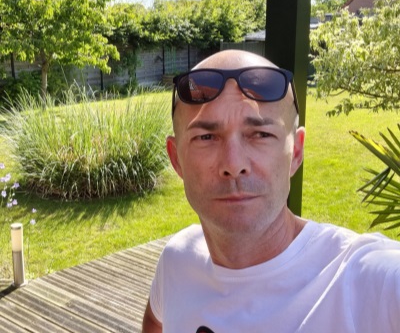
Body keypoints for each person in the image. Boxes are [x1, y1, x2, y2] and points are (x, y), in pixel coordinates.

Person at [142, 50, 400, 333]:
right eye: (206, 137)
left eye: (260, 134)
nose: (234, 165)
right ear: (176, 158)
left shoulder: (364, 282)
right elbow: (155, 320)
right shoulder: (178, 260)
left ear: (296, 152)